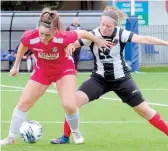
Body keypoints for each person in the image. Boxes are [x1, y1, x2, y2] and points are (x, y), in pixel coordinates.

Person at [50, 6, 168, 144]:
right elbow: (73, 44)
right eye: (103, 24)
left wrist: (166, 43)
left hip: (122, 79)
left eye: (109, 26)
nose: (105, 28)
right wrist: (70, 46)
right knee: (73, 103)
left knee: (144, 110)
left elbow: (144, 39)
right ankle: (65, 136)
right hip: (99, 79)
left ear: (115, 26)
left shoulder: (121, 34)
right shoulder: (93, 35)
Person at [0, 8, 113, 145]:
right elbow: (23, 45)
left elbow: (83, 33)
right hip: (42, 72)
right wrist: (15, 65)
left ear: (54, 31)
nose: (43, 37)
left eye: (47, 35)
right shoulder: (31, 36)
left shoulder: (63, 36)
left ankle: (76, 132)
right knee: (23, 104)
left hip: (63, 70)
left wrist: (98, 41)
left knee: (69, 105)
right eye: (41, 33)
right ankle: (10, 138)